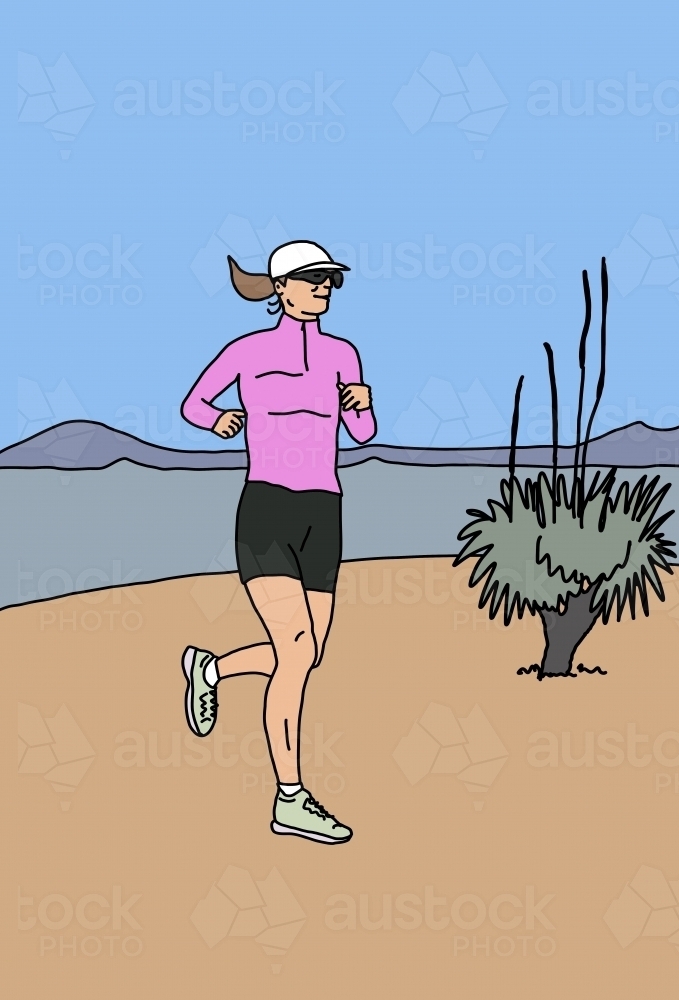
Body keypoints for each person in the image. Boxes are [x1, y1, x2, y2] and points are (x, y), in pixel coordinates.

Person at [180, 240, 376, 844]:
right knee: (294, 651)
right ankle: (289, 797)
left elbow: (364, 433)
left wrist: (362, 407)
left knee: (308, 652)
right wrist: (219, 422)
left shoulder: (344, 354)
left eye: (330, 282)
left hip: (325, 510)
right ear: (281, 288)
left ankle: (210, 669)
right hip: (266, 507)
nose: (324, 290)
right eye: (314, 280)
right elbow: (193, 403)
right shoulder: (248, 351)